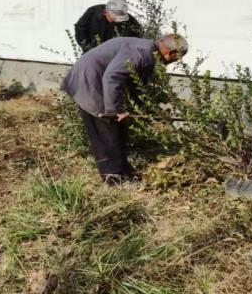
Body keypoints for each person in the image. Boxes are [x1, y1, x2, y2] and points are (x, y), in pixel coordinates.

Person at [60, 33, 188, 184]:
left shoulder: (148, 52)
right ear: (171, 53)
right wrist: (115, 110)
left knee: (117, 130)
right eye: (179, 57)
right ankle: (115, 179)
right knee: (107, 131)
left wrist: (147, 110)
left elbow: (134, 83)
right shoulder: (140, 53)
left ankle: (124, 173)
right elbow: (112, 77)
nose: (178, 61)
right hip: (89, 81)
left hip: (94, 79)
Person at [74, 0, 143, 52]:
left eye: (121, 18)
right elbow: (80, 29)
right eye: (115, 17)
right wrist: (88, 47)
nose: (118, 20)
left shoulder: (129, 21)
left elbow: (137, 36)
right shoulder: (92, 13)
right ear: (106, 13)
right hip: (93, 51)